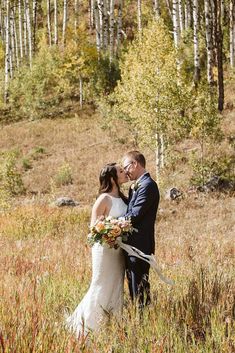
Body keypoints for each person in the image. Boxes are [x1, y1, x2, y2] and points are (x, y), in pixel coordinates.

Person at [66, 163, 128, 337]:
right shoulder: (103, 199)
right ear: (111, 178)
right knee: (101, 284)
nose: (125, 173)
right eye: (121, 171)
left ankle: (111, 326)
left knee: (116, 285)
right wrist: (112, 227)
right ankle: (85, 326)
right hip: (104, 250)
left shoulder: (124, 198)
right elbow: (94, 228)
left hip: (118, 250)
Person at [122, 151, 160, 308]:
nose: (125, 172)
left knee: (140, 288)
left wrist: (112, 224)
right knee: (133, 286)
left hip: (140, 245)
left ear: (135, 164)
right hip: (132, 245)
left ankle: (144, 320)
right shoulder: (135, 187)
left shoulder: (148, 186)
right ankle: (139, 318)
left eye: (126, 168)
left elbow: (135, 215)